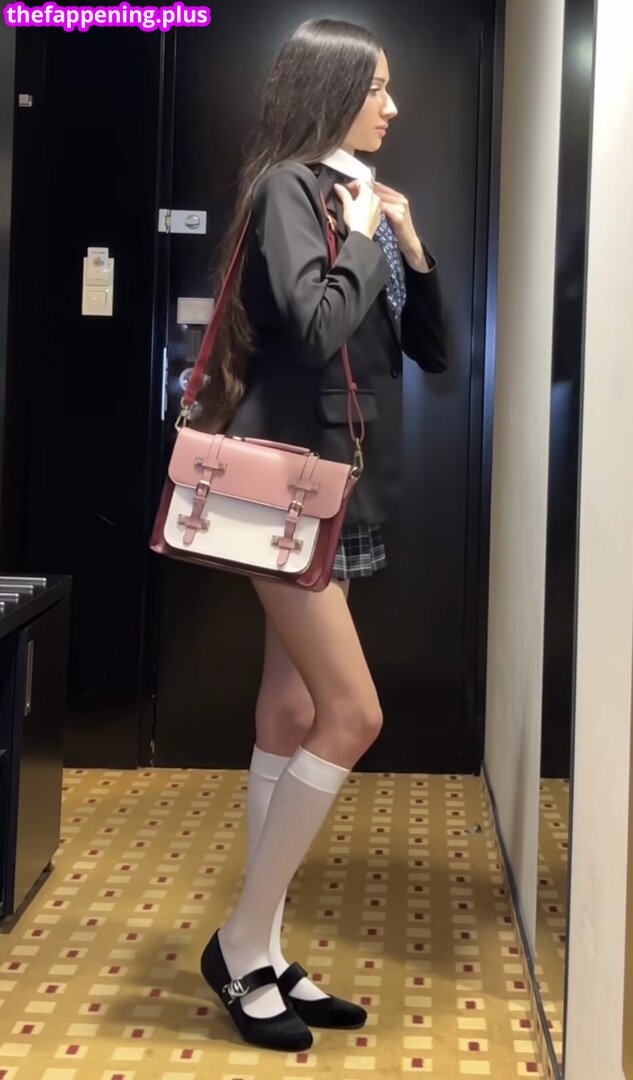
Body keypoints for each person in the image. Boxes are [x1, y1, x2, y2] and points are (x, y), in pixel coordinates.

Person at [196, 16, 448, 1052]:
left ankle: (264, 951)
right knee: (352, 714)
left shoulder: (356, 196)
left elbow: (432, 351)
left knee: (292, 709)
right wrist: (360, 235)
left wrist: (409, 249)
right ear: (332, 89)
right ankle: (239, 942)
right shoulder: (290, 190)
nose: (392, 105)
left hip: (330, 478)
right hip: (284, 480)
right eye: (376, 87)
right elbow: (310, 323)